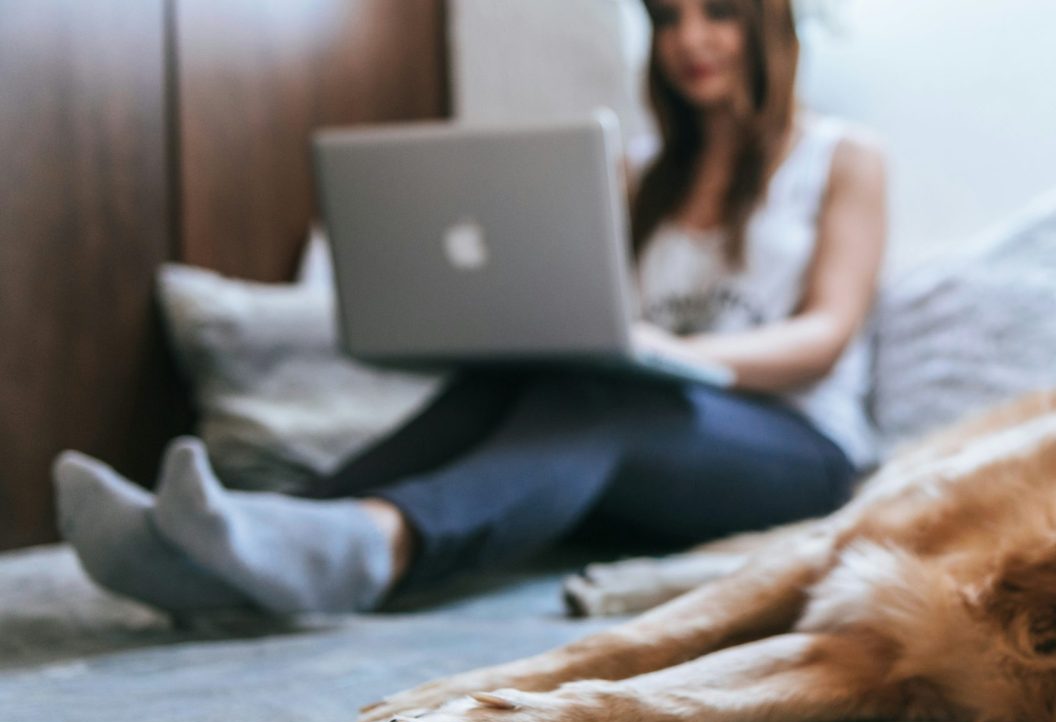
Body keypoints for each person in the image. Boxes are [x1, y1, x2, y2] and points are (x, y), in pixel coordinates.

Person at [52, 0, 887, 618]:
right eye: (668, 17)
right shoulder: (636, 171)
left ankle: (372, 545)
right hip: (649, 422)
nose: (690, 40)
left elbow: (827, 333)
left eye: (719, 14)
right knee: (533, 379)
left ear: (769, 24)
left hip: (796, 450)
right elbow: (591, 309)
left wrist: (680, 353)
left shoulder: (842, 157)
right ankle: (248, 536)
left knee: (607, 399)